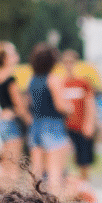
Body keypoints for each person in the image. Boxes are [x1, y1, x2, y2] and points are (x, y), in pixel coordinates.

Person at [25, 44, 71, 191]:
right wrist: (70, 107)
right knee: (55, 171)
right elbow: (60, 106)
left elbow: (29, 103)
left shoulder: (32, 80)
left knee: (36, 171)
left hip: (36, 125)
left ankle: (31, 202)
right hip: (53, 126)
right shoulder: (53, 79)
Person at [0, 42, 30, 179]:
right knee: (14, 167)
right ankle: (10, 198)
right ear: (5, 59)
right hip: (12, 123)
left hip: (2, 123)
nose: (16, 55)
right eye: (13, 53)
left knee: (5, 166)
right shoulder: (10, 80)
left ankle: (3, 195)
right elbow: (19, 106)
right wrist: (28, 119)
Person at [55, 51, 100, 185]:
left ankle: (85, 184)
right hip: (66, 127)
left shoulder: (82, 83)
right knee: (64, 157)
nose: (68, 65)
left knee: (84, 159)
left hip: (81, 125)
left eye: (71, 62)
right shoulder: (60, 83)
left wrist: (90, 123)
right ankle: (69, 185)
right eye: (66, 62)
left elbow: (90, 104)